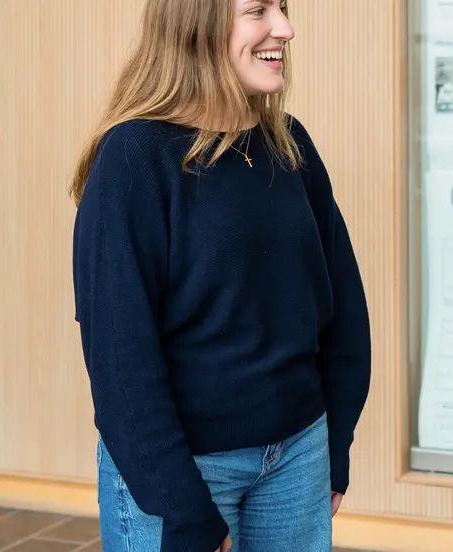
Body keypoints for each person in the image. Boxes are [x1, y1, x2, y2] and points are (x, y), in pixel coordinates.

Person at [69, 0, 371, 551]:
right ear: (195, 23)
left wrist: (335, 447)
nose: (285, 28)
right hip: (183, 473)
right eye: (258, 11)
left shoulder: (290, 143)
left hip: (298, 457)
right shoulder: (134, 157)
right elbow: (120, 359)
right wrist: (182, 509)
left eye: (282, 8)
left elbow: (342, 305)